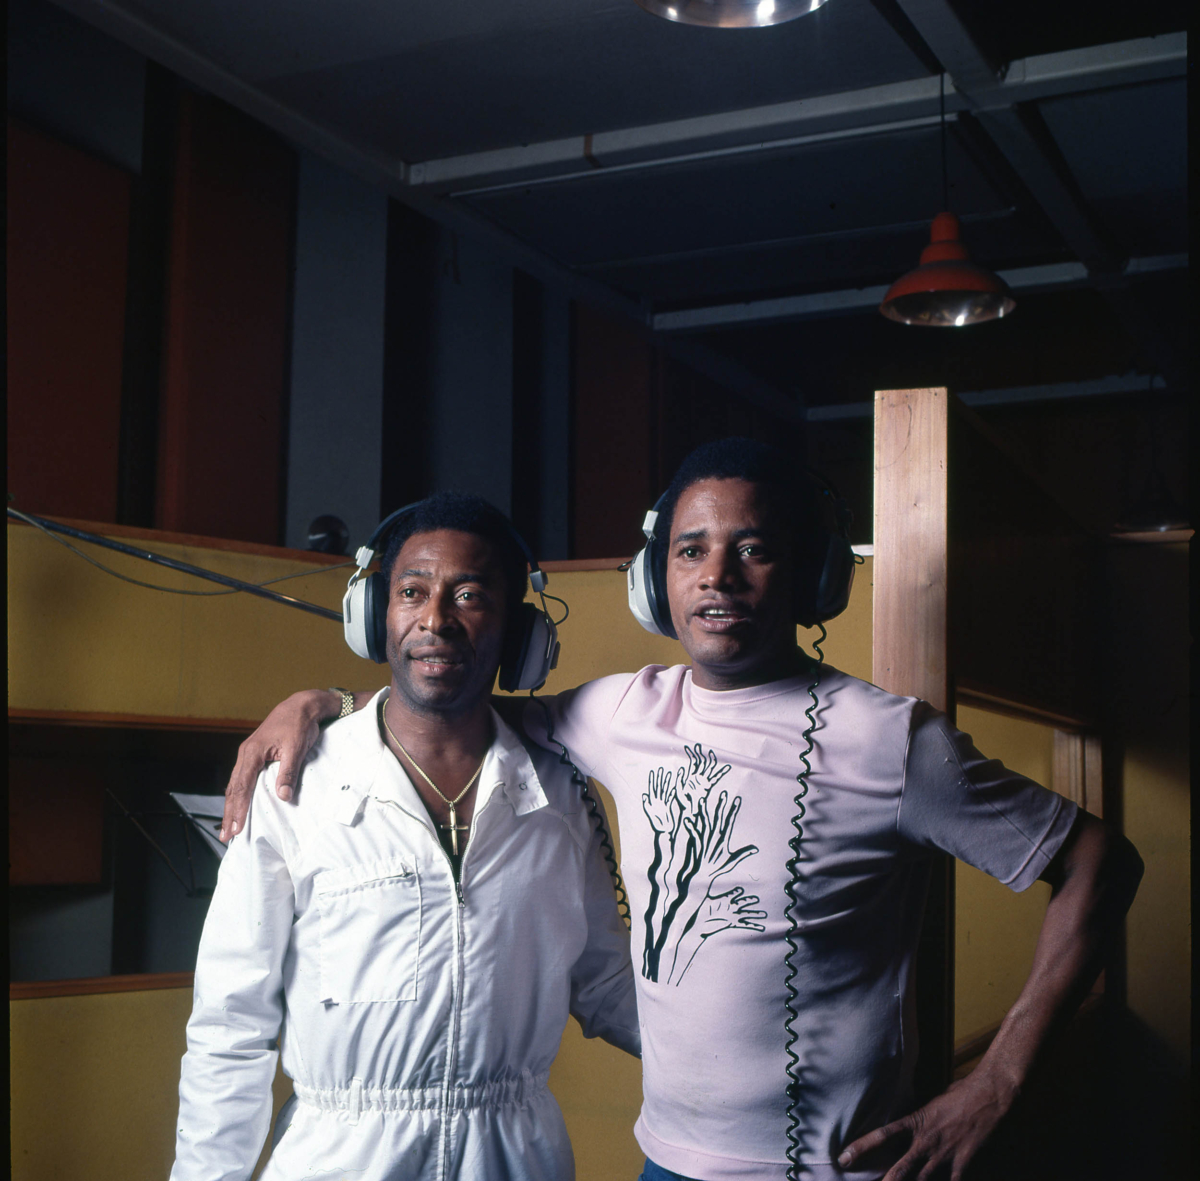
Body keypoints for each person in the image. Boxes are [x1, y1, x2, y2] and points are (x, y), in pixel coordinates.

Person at [222, 440, 1142, 1181]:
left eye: (753, 547)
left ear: (812, 575)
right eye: (692, 549)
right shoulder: (617, 712)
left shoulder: (892, 740)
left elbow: (1103, 860)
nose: (719, 576)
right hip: (665, 1162)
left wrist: (997, 1083)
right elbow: (446, 700)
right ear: (656, 579)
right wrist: (321, 705)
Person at [172, 493, 639, 1181]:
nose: (435, 619)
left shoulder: (559, 794)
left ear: (517, 628)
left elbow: (606, 983)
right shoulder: (295, 786)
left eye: (471, 594)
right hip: (337, 1160)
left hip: (515, 1157)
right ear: (374, 617)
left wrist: (775, 1082)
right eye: (412, 591)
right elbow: (229, 1025)